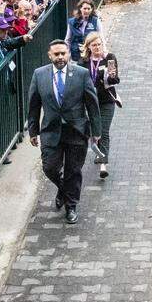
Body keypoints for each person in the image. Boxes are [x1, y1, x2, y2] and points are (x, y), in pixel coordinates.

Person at [27, 40, 102, 224]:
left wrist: (96, 130)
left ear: (68, 54)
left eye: (63, 53)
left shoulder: (81, 74)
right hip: (51, 131)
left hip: (76, 130)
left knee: (73, 171)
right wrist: (33, 130)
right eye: (56, 54)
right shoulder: (39, 75)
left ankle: (71, 206)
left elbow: (92, 103)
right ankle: (62, 188)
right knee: (50, 167)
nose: (60, 57)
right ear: (49, 55)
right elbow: (34, 105)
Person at [79, 31, 121, 180]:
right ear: (88, 47)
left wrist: (112, 77)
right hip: (89, 102)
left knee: (104, 130)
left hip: (106, 100)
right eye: (94, 45)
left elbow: (116, 81)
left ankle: (103, 164)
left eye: (99, 44)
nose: (97, 47)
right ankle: (98, 151)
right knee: (94, 131)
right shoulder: (83, 62)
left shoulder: (109, 58)